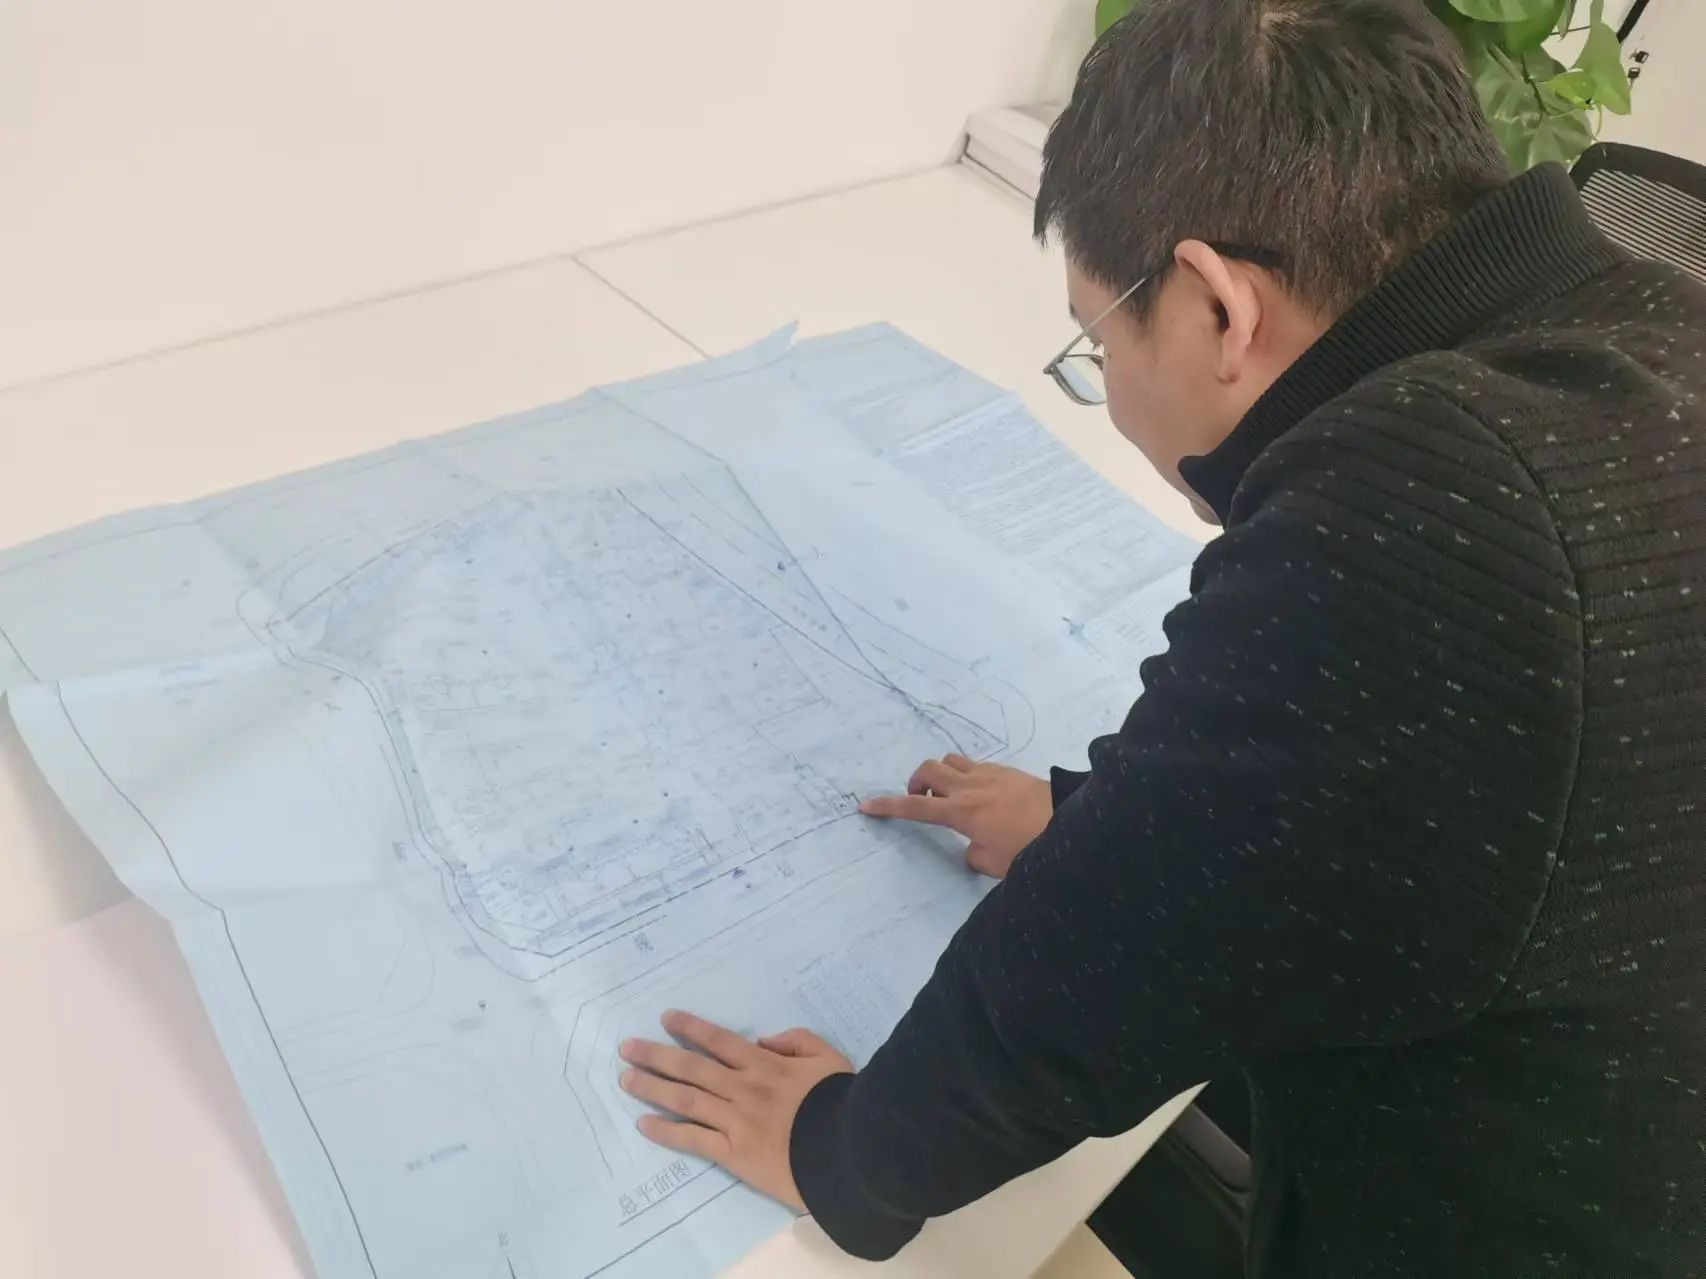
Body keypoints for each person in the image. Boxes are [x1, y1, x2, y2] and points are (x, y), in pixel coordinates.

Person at [614, 1, 1706, 1273]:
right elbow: (1388, 778)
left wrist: (840, 1154)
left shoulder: (1434, 500)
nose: (1106, 380)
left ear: (1216, 309)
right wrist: (1091, 814)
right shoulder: (1651, 323)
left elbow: (1086, 980)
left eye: (1096, 335)